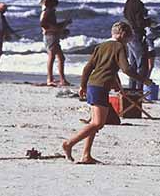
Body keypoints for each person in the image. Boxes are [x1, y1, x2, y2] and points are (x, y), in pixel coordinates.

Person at [61, 21, 152, 165]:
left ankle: (86, 155)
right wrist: (144, 80)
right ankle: (69, 143)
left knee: (93, 122)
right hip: (100, 86)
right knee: (98, 123)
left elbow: (90, 68)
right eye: (129, 38)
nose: (129, 41)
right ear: (122, 34)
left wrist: (83, 86)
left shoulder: (101, 46)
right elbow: (126, 69)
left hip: (93, 84)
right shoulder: (119, 47)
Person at [122, 0, 152, 91]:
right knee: (142, 65)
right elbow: (140, 23)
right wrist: (148, 22)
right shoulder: (138, 4)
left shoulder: (128, 2)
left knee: (133, 65)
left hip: (129, 35)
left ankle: (132, 90)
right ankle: (139, 90)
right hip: (137, 35)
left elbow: (127, 17)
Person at [40, 0, 71, 87]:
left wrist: (63, 26)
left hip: (53, 36)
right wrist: (62, 26)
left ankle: (62, 79)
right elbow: (44, 24)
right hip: (50, 37)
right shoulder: (48, 11)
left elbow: (51, 24)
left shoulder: (50, 11)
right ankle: (50, 79)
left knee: (61, 58)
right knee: (52, 57)